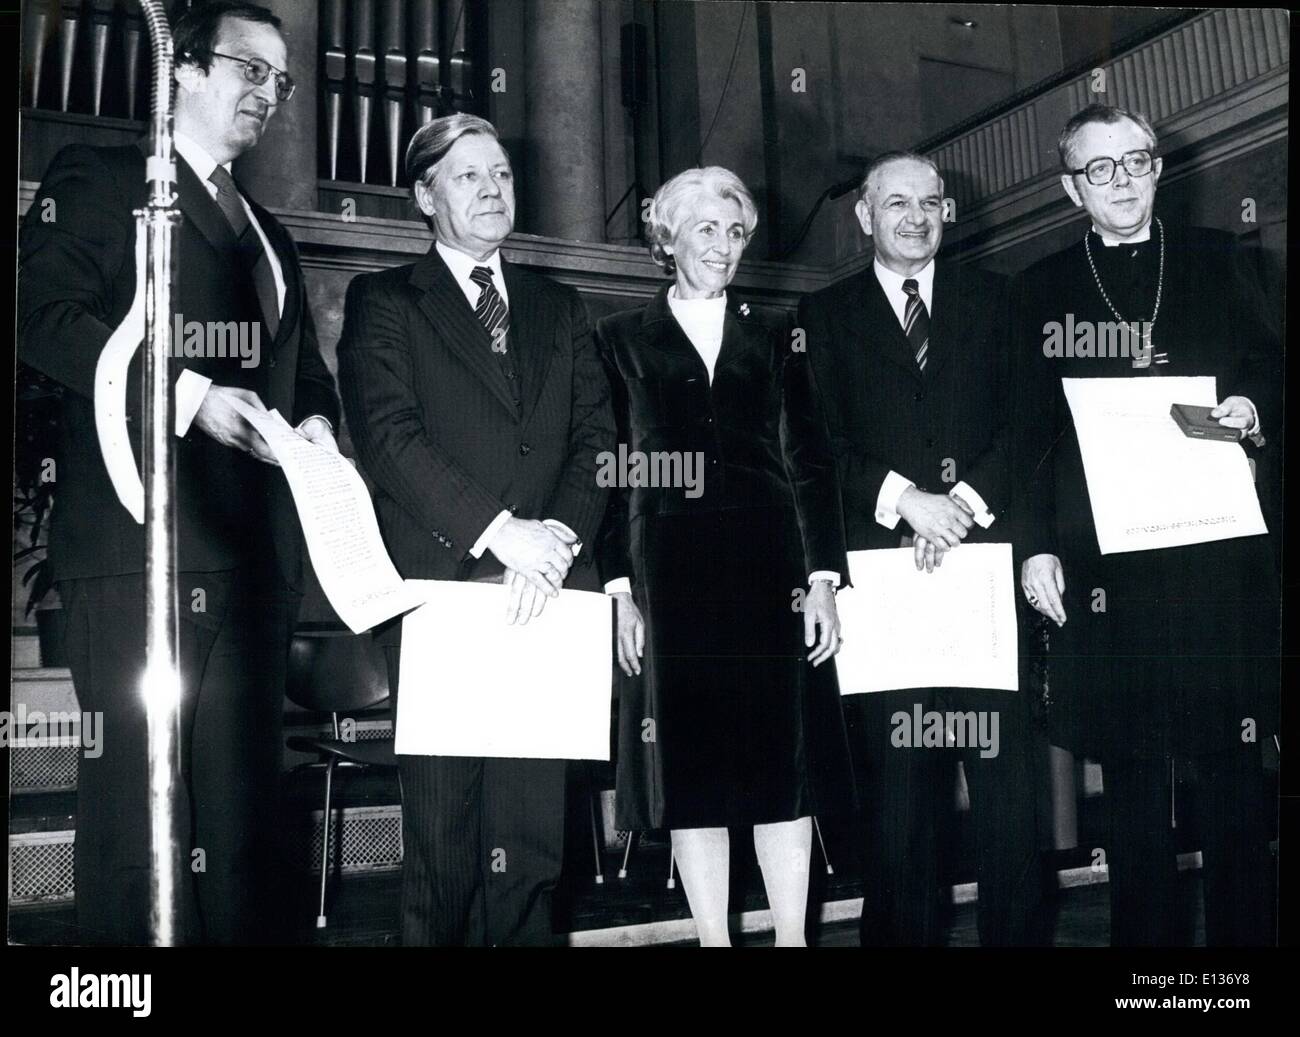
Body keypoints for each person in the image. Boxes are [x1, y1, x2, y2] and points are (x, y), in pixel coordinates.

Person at [17, 1, 341, 945]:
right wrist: (191, 395)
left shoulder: (271, 234)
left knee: (241, 820)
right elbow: (44, 319)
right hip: (140, 547)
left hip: (252, 557)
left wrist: (316, 422)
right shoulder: (104, 177)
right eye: (251, 70)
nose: (270, 96)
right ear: (185, 69)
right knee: (140, 812)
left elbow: (302, 368)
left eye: (281, 81)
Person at [337, 113, 614, 946]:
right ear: (425, 196)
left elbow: (598, 440)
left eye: (501, 173)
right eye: (468, 176)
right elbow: (389, 440)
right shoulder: (384, 300)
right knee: (445, 851)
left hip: (548, 593)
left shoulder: (560, 305)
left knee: (532, 849)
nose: (493, 189)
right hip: (442, 596)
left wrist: (553, 543)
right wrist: (503, 534)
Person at [1011, 104, 1280, 946]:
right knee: (1131, 779)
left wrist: (1253, 407)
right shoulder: (1042, 287)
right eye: (1100, 168)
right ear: (1070, 187)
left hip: (1213, 554)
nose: (1122, 181)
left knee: (1234, 768)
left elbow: (1273, 367)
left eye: (1136, 162)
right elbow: (1024, 432)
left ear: (1159, 169)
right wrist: (1036, 548)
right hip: (1105, 575)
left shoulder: (1216, 257)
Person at [597, 166, 854, 947]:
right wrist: (618, 589)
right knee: (691, 769)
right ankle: (713, 938)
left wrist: (821, 580)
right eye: (706, 229)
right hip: (666, 570)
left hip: (770, 569)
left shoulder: (779, 336)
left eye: (736, 232)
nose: (724, 246)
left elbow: (809, 461)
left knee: (786, 764)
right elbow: (605, 468)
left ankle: (792, 938)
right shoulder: (615, 341)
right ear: (666, 236)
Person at [797, 152, 1046, 946]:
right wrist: (904, 498)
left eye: (929, 202)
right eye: (895, 203)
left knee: (1008, 799)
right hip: (884, 585)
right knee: (902, 805)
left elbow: (1032, 426)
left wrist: (962, 505)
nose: (915, 216)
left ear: (948, 211)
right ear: (865, 216)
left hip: (983, 578)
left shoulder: (1001, 301)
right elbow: (814, 445)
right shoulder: (819, 317)